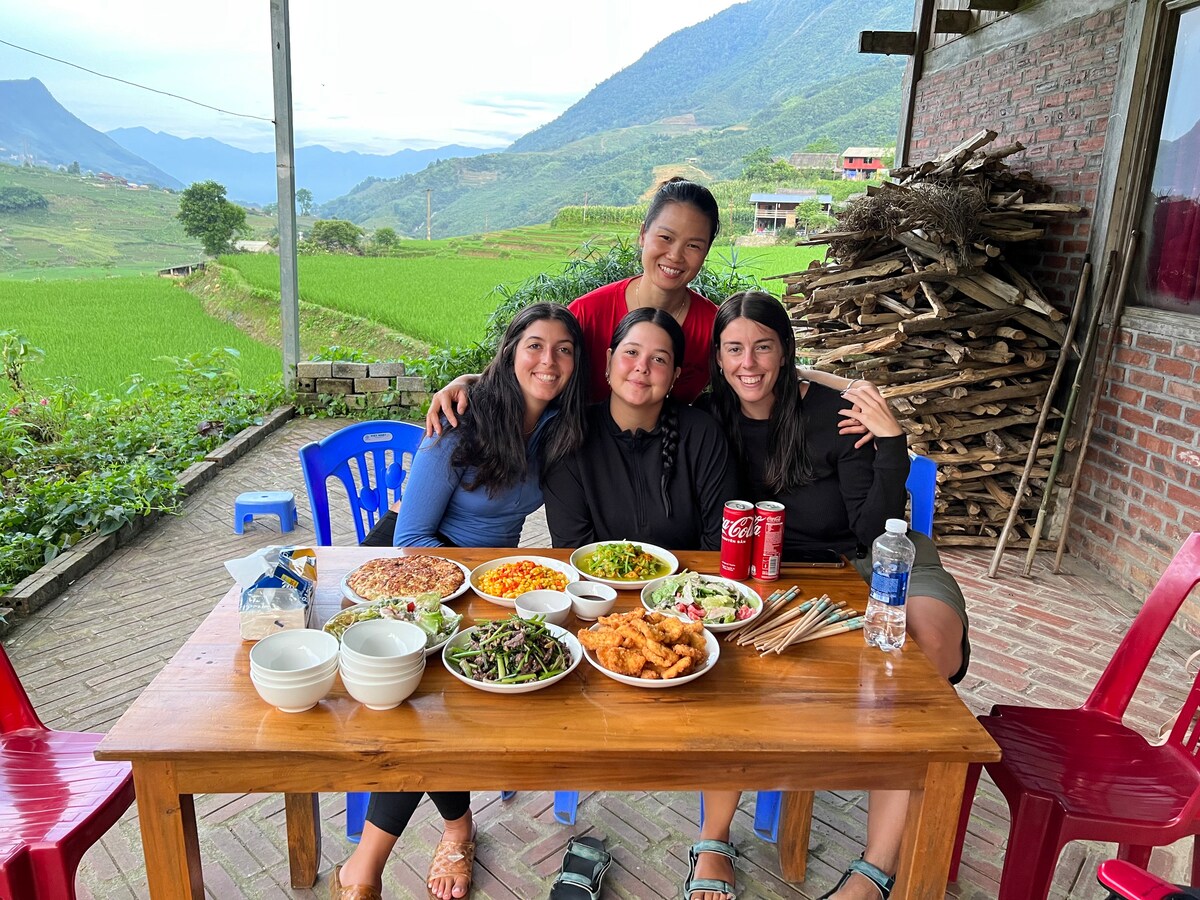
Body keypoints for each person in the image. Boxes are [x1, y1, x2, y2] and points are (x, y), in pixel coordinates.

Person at [687, 291, 971, 900]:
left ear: (786, 351)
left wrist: (892, 443)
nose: (749, 364)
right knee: (731, 673)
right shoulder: (711, 414)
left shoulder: (834, 415)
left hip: (878, 559)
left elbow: (872, 530)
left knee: (927, 662)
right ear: (717, 357)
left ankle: (873, 872)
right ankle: (712, 845)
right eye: (733, 349)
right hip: (783, 576)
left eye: (764, 347)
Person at [330, 302, 587, 900]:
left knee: (452, 705)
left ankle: (423, 842)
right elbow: (408, 538)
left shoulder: (559, 428)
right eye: (534, 345)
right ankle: (409, 849)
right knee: (430, 713)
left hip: (485, 584)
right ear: (510, 353)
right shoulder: (461, 423)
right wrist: (463, 584)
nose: (548, 360)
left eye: (564, 349)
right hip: (419, 571)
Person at [425, 177, 725, 435]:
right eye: (665, 237)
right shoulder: (588, 313)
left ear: (707, 251)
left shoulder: (714, 329)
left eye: (693, 245)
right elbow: (535, 371)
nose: (675, 255)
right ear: (643, 234)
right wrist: (467, 381)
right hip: (576, 459)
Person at [542, 307, 736, 549]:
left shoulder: (701, 434)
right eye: (631, 352)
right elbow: (572, 546)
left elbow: (720, 542)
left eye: (659, 359)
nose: (642, 367)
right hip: (596, 585)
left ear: (675, 375)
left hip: (689, 582)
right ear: (608, 360)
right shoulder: (571, 434)